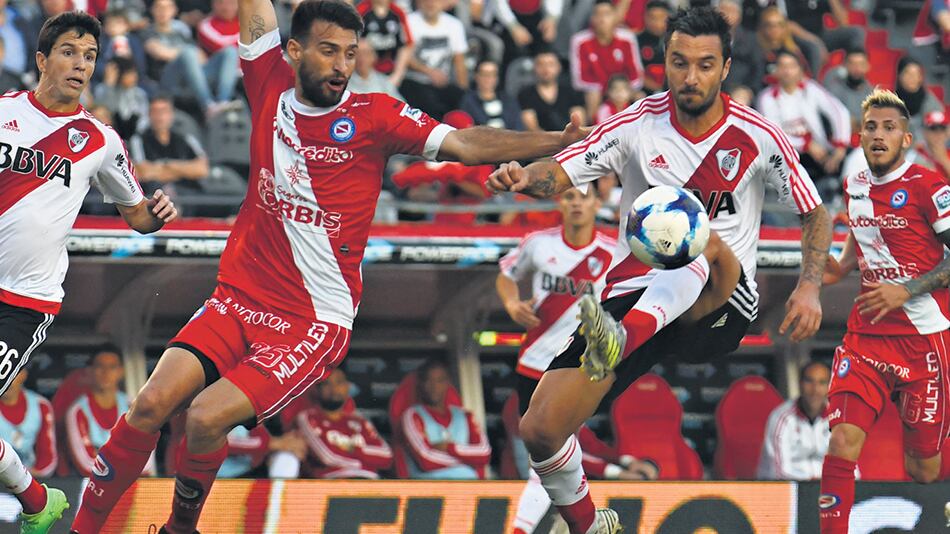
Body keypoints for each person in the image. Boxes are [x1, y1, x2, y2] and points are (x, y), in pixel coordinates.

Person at [68, 0, 592, 530]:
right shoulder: (266, 79)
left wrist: (555, 142)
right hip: (238, 297)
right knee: (149, 404)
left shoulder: (375, 116)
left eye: (350, 53)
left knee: (203, 418)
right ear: (293, 51)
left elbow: (462, 141)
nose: (342, 64)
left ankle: (182, 529)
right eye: (328, 51)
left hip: (311, 322)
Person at [488, 7, 831, 532]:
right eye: (679, 63)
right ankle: (589, 524)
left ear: (725, 68)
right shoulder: (633, 125)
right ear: (662, 63)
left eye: (704, 64)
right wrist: (522, 175)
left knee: (691, 232)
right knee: (540, 428)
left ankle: (622, 337)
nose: (690, 77)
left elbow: (815, 212)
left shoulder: (759, 135)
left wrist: (809, 287)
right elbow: (559, 172)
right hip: (632, 300)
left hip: (719, 302)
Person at [0, 11, 176, 533]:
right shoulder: (3, 112)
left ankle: (35, 499)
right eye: (69, 52)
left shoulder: (99, 140)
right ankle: (37, 501)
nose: (81, 65)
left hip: (24, 301)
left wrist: (156, 214)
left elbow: (137, 215)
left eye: (90, 56)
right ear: (41, 59)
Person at [819, 89, 950, 534]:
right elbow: (859, 244)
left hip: (924, 342)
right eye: (871, 127)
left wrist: (907, 290)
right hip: (866, 339)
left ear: (906, 139)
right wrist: (831, 266)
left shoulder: (930, 187)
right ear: (859, 136)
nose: (879, 135)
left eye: (889, 128)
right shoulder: (854, 186)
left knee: (924, 470)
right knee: (841, 442)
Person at [756, 51, 851, 189]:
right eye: (782, 66)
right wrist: (806, 145)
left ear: (800, 70)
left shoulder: (811, 88)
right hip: (788, 156)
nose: (787, 71)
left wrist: (840, 146)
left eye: (792, 66)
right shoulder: (766, 98)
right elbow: (773, 136)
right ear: (775, 71)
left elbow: (838, 111)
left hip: (821, 152)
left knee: (855, 157)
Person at [65, 347, 156, 478]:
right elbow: (85, 464)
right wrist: (126, 456)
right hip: (91, 486)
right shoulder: (77, 410)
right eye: (100, 366)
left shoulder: (134, 406)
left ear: (121, 371)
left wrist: (103, 456)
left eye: (112, 367)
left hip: (133, 486)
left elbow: (146, 463)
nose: (105, 372)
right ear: (90, 371)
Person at [144, 0, 241, 118]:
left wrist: (190, 58)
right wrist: (186, 55)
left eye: (167, 7)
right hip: (167, 80)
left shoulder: (181, 34)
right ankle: (208, 105)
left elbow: (201, 58)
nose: (163, 12)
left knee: (230, 51)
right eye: (159, 7)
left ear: (174, 10)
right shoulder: (148, 31)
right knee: (188, 53)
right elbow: (159, 52)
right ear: (152, 10)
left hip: (191, 78)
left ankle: (223, 101)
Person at [296, 368, 392, 478]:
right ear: (317, 390)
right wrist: (361, 462)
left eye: (339, 382)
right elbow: (327, 457)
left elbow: (386, 455)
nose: (334, 389)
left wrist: (351, 448)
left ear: (347, 387)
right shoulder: (308, 417)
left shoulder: (359, 421)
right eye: (326, 384)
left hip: (368, 482)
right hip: (332, 482)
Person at [402, 359, 490, 479]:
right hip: (427, 489)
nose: (434, 386)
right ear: (421, 384)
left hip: (466, 488)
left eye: (440, 380)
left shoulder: (465, 415)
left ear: (448, 383)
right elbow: (425, 460)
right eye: (428, 380)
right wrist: (467, 460)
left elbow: (484, 453)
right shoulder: (412, 415)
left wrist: (449, 448)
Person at [570, 0, 645, 119]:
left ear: (615, 16)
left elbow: (636, 74)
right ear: (592, 18)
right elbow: (579, 79)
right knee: (592, 95)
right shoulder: (579, 41)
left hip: (623, 88)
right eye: (597, 14)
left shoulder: (628, 38)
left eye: (606, 14)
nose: (602, 19)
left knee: (641, 97)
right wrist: (606, 90)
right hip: (596, 90)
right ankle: (592, 132)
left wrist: (621, 89)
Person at [757, 361, 832, 480]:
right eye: (809, 381)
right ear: (800, 384)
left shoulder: (839, 419)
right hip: (780, 491)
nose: (815, 389)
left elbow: (850, 468)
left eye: (822, 383)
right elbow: (778, 472)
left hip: (825, 489)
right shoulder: (781, 418)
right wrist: (812, 484)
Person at [128, 95, 210, 199]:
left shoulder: (186, 138)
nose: (160, 117)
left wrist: (166, 165)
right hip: (154, 195)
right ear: (149, 115)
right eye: (155, 112)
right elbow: (142, 172)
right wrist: (184, 170)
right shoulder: (138, 140)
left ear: (171, 114)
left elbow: (202, 169)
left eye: (164, 111)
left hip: (186, 194)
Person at [401, 0, 468, 120]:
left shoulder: (454, 25)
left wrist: (464, 90)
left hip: (443, 82)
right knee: (431, 105)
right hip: (414, 81)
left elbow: (460, 63)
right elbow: (404, 58)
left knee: (462, 101)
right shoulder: (409, 21)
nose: (431, 4)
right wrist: (429, 72)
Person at [778, 0, 863, 77]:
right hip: (797, 38)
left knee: (855, 32)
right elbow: (786, 24)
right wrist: (817, 42)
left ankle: (851, 74)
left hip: (821, 34)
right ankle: (814, 86)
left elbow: (843, 22)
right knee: (815, 49)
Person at [0, 370, 57, 481]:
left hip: (29, 478)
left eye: (10, 373)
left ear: (23, 375)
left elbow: (47, 458)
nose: (5, 379)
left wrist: (26, 479)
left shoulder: (41, 405)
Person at [518, 48, 586, 132]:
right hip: (540, 142)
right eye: (541, 64)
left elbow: (579, 124)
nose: (546, 69)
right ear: (534, 68)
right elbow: (531, 127)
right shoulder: (526, 94)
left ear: (559, 67)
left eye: (551, 64)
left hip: (570, 141)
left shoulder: (572, 92)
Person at [356, 0, 413, 87]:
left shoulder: (398, 12)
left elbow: (406, 46)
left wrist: (397, 75)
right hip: (366, 74)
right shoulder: (361, 11)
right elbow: (354, 43)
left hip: (391, 72)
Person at [460, 59, 524, 129]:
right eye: (484, 74)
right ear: (476, 76)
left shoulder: (509, 101)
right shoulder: (468, 102)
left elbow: (518, 127)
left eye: (493, 74)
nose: (488, 78)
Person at [894, 57, 945, 143]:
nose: (913, 78)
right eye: (908, 73)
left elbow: (940, 126)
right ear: (899, 76)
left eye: (917, 74)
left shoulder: (929, 99)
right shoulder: (890, 102)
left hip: (928, 146)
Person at [822, 47, 873, 132]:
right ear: (844, 66)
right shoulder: (834, 90)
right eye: (852, 64)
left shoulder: (873, 95)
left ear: (867, 66)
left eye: (861, 64)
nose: (857, 68)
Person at [718, 0, 764, 93]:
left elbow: (758, 69)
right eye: (723, 11)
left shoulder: (751, 39)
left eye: (731, 11)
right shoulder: (707, 38)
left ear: (739, 16)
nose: (726, 15)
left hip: (741, 90)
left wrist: (749, 91)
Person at [636, 0, 669, 94]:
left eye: (661, 18)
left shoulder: (675, 40)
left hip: (670, 91)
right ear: (645, 17)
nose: (657, 22)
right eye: (652, 17)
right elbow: (634, 73)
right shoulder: (636, 41)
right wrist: (657, 89)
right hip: (643, 93)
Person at [917, 110, 950, 180]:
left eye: (942, 128)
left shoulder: (948, 154)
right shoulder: (917, 153)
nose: (938, 133)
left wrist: (944, 160)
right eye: (933, 128)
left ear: (947, 133)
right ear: (924, 132)